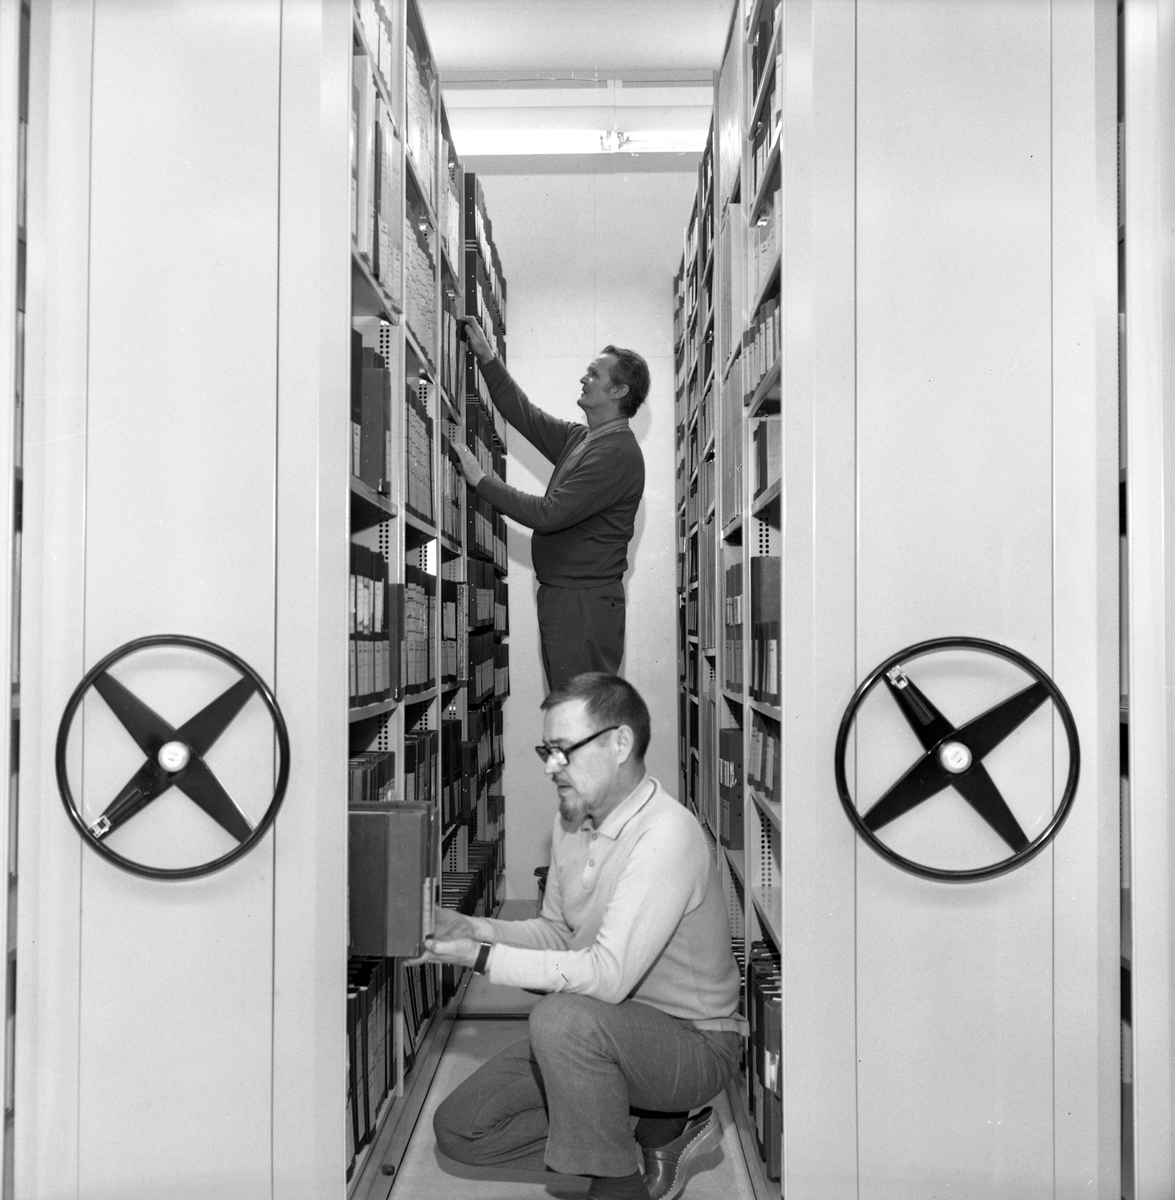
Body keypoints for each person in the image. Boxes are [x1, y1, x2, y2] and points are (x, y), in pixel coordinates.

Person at [424, 672, 744, 1200]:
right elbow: (557, 934)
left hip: (693, 1042)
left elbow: (607, 977)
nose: (551, 767)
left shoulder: (666, 834)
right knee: (461, 1129)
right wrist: (475, 929)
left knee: (561, 1019)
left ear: (620, 743)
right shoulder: (571, 822)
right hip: (608, 1029)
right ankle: (651, 1134)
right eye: (546, 750)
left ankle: (620, 1187)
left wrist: (480, 958)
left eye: (563, 750)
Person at [453, 317, 647, 690]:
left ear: (619, 390)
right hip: (569, 597)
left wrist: (482, 482)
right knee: (571, 704)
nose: (584, 379)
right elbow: (525, 415)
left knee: (579, 709)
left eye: (594, 374)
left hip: (582, 602)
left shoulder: (617, 454)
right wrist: (488, 360)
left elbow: (549, 514)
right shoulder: (584, 439)